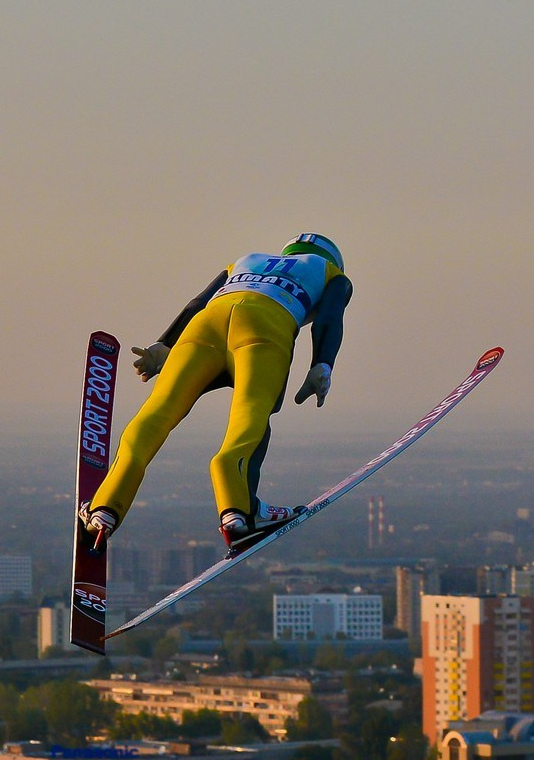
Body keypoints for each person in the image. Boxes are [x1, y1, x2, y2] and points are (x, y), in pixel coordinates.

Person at [79, 234, 351, 552]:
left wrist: (163, 344)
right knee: (251, 415)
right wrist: (322, 365)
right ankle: (239, 511)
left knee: (158, 411)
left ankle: (104, 508)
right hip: (265, 327)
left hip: (204, 326)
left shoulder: (246, 259)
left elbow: (197, 303)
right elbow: (329, 319)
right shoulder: (333, 274)